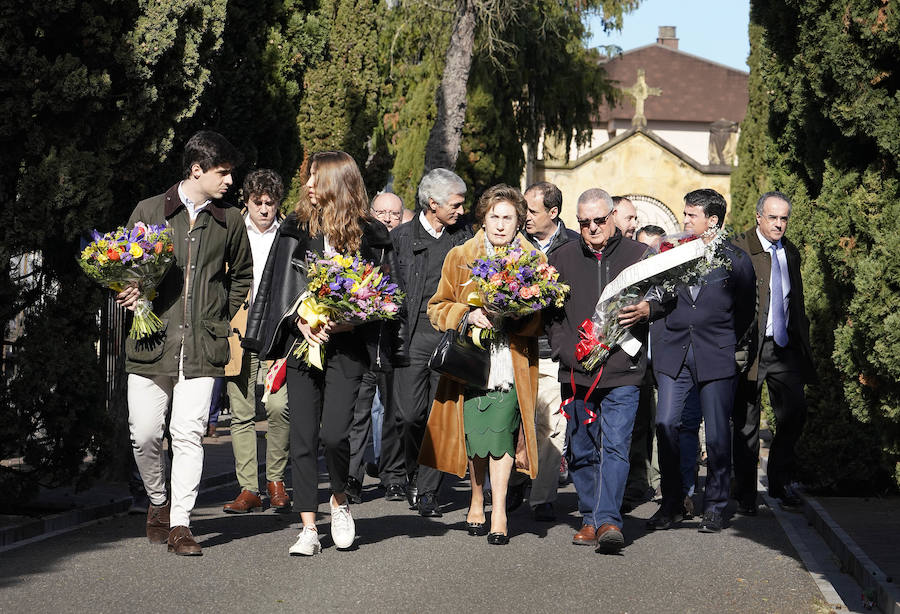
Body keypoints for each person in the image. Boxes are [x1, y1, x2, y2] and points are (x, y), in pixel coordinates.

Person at [242, 151, 406, 556]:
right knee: (301, 435)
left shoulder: (372, 235)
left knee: (334, 434)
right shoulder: (296, 227)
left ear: (338, 182)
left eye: (316, 178)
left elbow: (389, 296)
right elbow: (279, 285)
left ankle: (339, 500)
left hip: (348, 346)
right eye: (308, 178)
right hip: (303, 345)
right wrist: (299, 319)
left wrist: (353, 320)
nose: (309, 185)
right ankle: (308, 528)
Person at [117, 130, 252, 556]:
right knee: (144, 433)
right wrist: (128, 289)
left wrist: (216, 316)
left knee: (188, 433)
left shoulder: (229, 220)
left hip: (203, 347)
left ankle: (180, 524)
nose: (230, 181)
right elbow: (122, 261)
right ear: (197, 170)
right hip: (150, 340)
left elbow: (242, 276)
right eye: (223, 173)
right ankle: (158, 500)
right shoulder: (150, 210)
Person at [420, 184, 542, 544]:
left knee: (503, 433)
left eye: (508, 218)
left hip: (511, 360)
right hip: (469, 361)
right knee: (475, 437)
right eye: (494, 217)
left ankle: (499, 509)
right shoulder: (460, 255)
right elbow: (436, 307)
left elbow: (543, 318)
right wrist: (468, 314)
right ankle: (476, 497)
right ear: (483, 219)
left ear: (519, 221)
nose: (501, 225)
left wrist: (518, 314)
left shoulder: (533, 260)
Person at [545, 188, 656, 554]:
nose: (591, 228)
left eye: (598, 220)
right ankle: (591, 517)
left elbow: (666, 293)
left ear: (612, 218)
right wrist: (565, 351)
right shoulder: (560, 257)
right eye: (584, 222)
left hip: (623, 370)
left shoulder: (640, 255)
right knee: (580, 449)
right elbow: (551, 314)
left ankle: (608, 520)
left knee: (616, 446)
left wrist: (647, 310)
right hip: (576, 373)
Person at [647, 188, 756, 533]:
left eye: (691, 215)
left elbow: (744, 311)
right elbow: (660, 298)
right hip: (673, 352)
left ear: (712, 220)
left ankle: (716, 506)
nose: (684, 220)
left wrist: (722, 339)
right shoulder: (672, 254)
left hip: (715, 353)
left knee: (718, 435)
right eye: (685, 213)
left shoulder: (736, 259)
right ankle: (672, 503)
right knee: (666, 424)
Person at [390, 169, 471, 517]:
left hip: (450, 335)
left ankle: (427, 491)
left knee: (440, 416)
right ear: (433, 204)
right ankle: (412, 470)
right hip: (410, 336)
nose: (461, 210)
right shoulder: (400, 238)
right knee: (409, 416)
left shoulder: (463, 237)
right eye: (456, 204)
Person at [732, 191, 815, 512]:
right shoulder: (741, 249)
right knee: (746, 423)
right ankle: (746, 495)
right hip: (749, 348)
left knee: (795, 414)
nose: (779, 224)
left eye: (783, 218)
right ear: (758, 217)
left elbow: (795, 301)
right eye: (773, 218)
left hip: (783, 349)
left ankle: (779, 482)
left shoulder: (789, 252)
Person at [221, 169, 291, 514]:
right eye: (257, 202)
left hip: (276, 329)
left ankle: (276, 480)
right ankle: (248, 488)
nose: (264, 209)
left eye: (270, 203)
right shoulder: (232, 230)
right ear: (246, 201)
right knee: (241, 410)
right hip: (238, 327)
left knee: (279, 406)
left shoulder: (289, 233)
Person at [519, 181, 578, 522]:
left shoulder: (572, 246)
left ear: (553, 213)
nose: (526, 217)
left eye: (533, 211)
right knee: (515, 420)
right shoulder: (512, 243)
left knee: (551, 423)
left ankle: (542, 496)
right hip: (516, 346)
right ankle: (514, 479)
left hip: (551, 348)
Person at [346, 191, 408, 503]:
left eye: (394, 214)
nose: (387, 218)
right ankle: (352, 478)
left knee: (395, 413)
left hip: (394, 342)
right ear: (371, 213)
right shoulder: (361, 243)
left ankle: (393, 476)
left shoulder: (405, 245)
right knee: (358, 414)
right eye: (381, 212)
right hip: (363, 343)